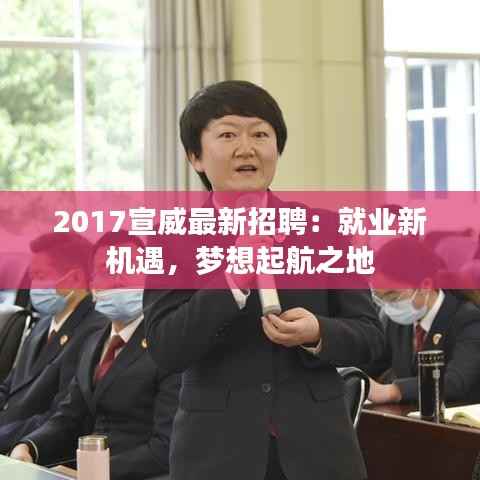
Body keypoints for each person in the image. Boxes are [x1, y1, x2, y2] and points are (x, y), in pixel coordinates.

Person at [143, 80, 384, 480]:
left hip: (320, 453)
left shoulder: (323, 229)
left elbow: (371, 338)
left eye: (260, 134)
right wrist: (231, 280)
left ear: (277, 148)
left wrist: (318, 332)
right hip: (216, 455)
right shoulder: (173, 237)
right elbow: (165, 348)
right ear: (195, 157)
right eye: (227, 135)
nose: (246, 148)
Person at [10, 231, 180, 480]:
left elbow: (165, 446)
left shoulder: (167, 342)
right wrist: (29, 446)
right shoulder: (94, 341)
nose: (118, 278)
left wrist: (92, 473)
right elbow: (69, 417)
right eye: (106, 269)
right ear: (92, 283)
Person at [0, 232, 106, 452]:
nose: (33, 286)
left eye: (41, 276)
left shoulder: (95, 331)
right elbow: (10, 387)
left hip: (30, 449)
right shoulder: (44, 322)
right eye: (32, 276)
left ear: (74, 279)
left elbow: (59, 415)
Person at [366, 237, 480, 404]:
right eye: (380, 298)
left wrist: (393, 391)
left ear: (426, 285)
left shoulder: (468, 320)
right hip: (409, 414)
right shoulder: (397, 320)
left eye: (393, 296)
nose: (388, 306)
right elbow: (375, 363)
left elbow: (455, 382)